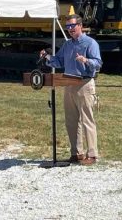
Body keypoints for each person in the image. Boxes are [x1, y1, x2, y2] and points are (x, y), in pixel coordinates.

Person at [40, 14, 102, 165]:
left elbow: (98, 63)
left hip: (85, 84)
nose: (70, 30)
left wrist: (86, 60)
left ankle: (92, 155)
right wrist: (47, 57)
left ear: (80, 25)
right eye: (67, 27)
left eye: (72, 26)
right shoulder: (68, 45)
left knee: (87, 120)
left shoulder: (90, 43)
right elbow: (59, 61)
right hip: (69, 85)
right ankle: (76, 153)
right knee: (71, 121)